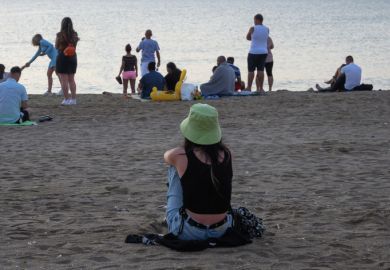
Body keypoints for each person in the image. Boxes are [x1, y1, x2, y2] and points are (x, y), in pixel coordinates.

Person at [164, 103, 233, 241]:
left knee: (174, 168)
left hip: (189, 230)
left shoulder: (180, 155)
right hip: (222, 229)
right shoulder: (226, 154)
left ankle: (177, 215)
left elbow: (166, 157)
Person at [55, 17, 80, 105]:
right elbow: (75, 46)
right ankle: (74, 99)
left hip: (62, 56)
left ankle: (66, 99)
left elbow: (56, 46)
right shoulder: (75, 34)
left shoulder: (59, 34)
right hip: (73, 57)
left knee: (64, 80)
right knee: (72, 79)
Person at [246, 14, 269, 92]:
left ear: (257, 20)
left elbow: (248, 38)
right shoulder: (267, 29)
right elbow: (263, 38)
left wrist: (250, 32)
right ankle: (261, 88)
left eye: (254, 20)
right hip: (263, 52)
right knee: (261, 70)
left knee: (251, 71)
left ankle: (249, 88)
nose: (254, 22)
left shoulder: (252, 28)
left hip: (253, 52)